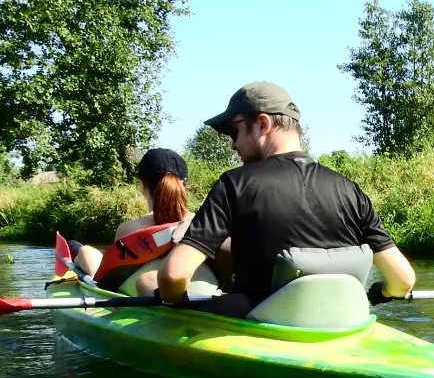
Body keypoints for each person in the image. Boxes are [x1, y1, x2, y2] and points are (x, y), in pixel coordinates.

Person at [158, 81, 415, 309]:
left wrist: (175, 300)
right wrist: (380, 292)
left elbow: (173, 275)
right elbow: (403, 280)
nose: (233, 144)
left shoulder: (234, 184)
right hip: (341, 323)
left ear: (262, 124)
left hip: (261, 326)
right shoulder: (350, 189)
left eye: (233, 132)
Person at [73, 148, 199, 295]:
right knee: (84, 251)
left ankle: (76, 259)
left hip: (140, 291)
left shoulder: (129, 229)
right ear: (185, 186)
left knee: (85, 251)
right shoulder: (204, 223)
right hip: (191, 287)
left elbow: (113, 278)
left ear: (142, 184)